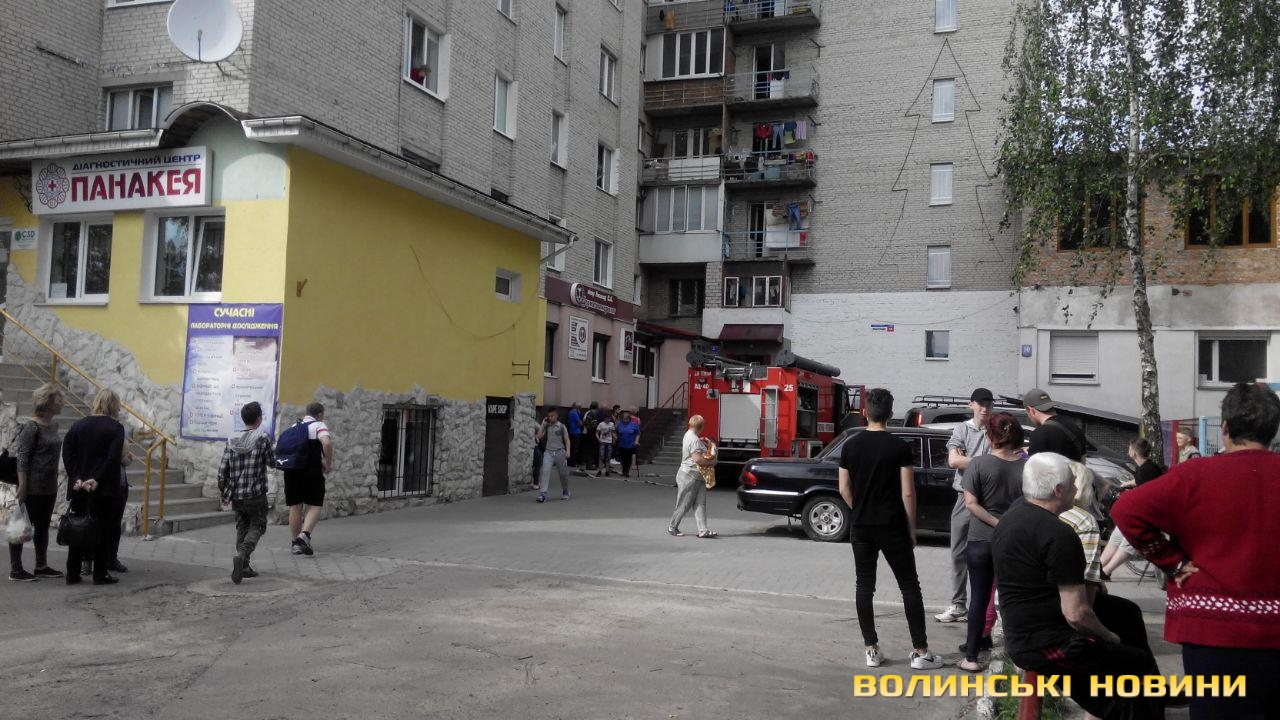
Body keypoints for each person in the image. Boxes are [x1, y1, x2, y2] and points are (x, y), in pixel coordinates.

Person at [1112, 382, 1280, 720]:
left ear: (1226, 428)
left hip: (1211, 631)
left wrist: (1172, 561)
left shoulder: (1194, 474)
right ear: (1273, 430)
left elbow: (1126, 510)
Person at [993, 452, 1163, 719]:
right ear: (1058, 490)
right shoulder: (1060, 535)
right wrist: (1109, 637)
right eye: (1073, 483)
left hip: (1024, 628)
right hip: (1044, 644)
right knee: (1135, 667)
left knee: (1126, 613)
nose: (1077, 488)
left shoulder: (1011, 516)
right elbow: (1076, 614)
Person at [839, 388, 945, 670]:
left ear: (865, 412)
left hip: (861, 526)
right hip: (893, 525)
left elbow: (844, 488)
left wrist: (859, 508)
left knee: (864, 586)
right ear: (890, 414)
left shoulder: (850, 445)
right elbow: (908, 492)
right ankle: (920, 651)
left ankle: (871, 649)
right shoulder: (899, 447)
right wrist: (911, 528)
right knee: (909, 585)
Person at [958, 412, 1026, 672]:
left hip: (980, 540)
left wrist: (996, 523)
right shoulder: (1026, 467)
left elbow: (971, 504)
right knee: (1010, 597)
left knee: (978, 597)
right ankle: (1017, 656)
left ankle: (971, 657)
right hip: (1013, 542)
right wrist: (1007, 525)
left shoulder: (978, 464)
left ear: (990, 437)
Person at [938, 388, 996, 624]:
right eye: (980, 404)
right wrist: (986, 462)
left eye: (988, 404)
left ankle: (987, 608)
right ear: (971, 405)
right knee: (958, 552)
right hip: (964, 496)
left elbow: (1003, 459)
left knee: (988, 553)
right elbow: (954, 460)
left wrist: (969, 460)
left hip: (989, 498)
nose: (985, 408)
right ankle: (958, 605)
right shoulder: (962, 429)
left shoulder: (997, 428)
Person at [61, 389, 128, 586]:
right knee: (104, 530)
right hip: (104, 488)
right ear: (114, 406)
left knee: (78, 528)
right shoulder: (116, 428)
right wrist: (97, 479)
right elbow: (113, 458)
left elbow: (68, 453)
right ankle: (100, 573)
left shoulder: (78, 425)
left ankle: (72, 573)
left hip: (80, 487)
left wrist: (76, 477)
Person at [7, 383, 65, 582]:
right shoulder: (31, 427)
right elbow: (22, 457)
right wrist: (22, 486)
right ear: (47, 402)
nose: (63, 403)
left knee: (43, 527)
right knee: (21, 526)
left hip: (49, 486)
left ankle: (41, 566)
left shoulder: (53, 426)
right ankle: (16, 569)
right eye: (59, 399)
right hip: (32, 487)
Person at [218, 401, 275, 584]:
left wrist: (225, 493)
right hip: (256, 493)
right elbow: (272, 462)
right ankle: (242, 554)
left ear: (243, 419)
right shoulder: (262, 438)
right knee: (258, 525)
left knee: (242, 527)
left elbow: (222, 471)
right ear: (259, 419)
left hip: (237, 495)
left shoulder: (231, 440)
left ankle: (243, 567)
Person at [1098, 439, 1164, 579]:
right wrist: (1127, 483)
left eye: (1129, 448)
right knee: (1116, 536)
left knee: (1128, 540)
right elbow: (1140, 481)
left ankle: (1106, 571)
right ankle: (1098, 567)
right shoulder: (1145, 467)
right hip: (1136, 512)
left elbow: (1145, 493)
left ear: (1134, 452)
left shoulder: (1147, 470)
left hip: (1146, 514)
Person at [285, 402, 333, 556]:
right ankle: (304, 536)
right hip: (311, 470)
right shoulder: (319, 425)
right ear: (319, 414)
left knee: (295, 506)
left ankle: (296, 544)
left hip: (291, 470)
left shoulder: (294, 426)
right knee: (315, 503)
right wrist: (328, 464)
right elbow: (326, 443)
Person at [668, 415, 716, 538]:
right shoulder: (694, 439)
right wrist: (712, 462)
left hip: (696, 476)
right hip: (689, 475)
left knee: (700, 503)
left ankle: (703, 530)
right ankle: (672, 526)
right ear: (701, 426)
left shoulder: (689, 435)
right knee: (685, 503)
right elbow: (697, 459)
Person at [1023, 388, 1087, 461]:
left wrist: (1032, 450)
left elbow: (1035, 467)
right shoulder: (1075, 427)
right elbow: (1083, 461)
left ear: (1031, 410)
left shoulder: (1038, 434)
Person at [535, 408, 571, 502]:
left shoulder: (562, 426)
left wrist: (568, 451)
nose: (550, 418)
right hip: (548, 452)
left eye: (552, 416)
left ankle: (565, 490)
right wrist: (543, 425)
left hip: (560, 452)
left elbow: (567, 439)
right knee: (545, 471)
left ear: (556, 416)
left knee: (563, 474)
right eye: (549, 416)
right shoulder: (547, 426)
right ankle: (542, 494)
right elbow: (538, 436)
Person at [615, 410, 641, 477]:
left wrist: (636, 441)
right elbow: (616, 432)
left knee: (628, 458)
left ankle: (627, 472)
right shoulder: (620, 424)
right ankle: (624, 471)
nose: (624, 420)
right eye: (623, 419)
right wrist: (615, 437)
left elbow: (638, 434)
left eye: (625, 419)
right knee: (622, 458)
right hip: (621, 444)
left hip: (630, 444)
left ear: (629, 419)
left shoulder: (634, 425)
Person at [595, 412, 616, 477]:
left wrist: (614, 439)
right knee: (601, 456)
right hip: (602, 442)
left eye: (609, 418)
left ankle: (607, 471)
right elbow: (596, 433)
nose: (608, 419)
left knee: (608, 457)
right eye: (607, 418)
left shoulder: (612, 424)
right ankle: (599, 471)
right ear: (604, 418)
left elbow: (613, 433)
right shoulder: (601, 424)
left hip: (609, 442)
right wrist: (599, 439)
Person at [581, 402, 600, 472]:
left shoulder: (589, 413)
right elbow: (594, 424)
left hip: (588, 432)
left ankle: (589, 464)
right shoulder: (593, 413)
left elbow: (586, 423)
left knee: (589, 449)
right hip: (592, 433)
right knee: (591, 449)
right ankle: (589, 465)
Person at [566, 403, 584, 467]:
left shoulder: (570, 412)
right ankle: (573, 463)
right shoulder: (574, 413)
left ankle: (569, 462)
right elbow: (580, 423)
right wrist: (581, 424)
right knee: (575, 448)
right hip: (576, 432)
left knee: (571, 448)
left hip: (571, 432)